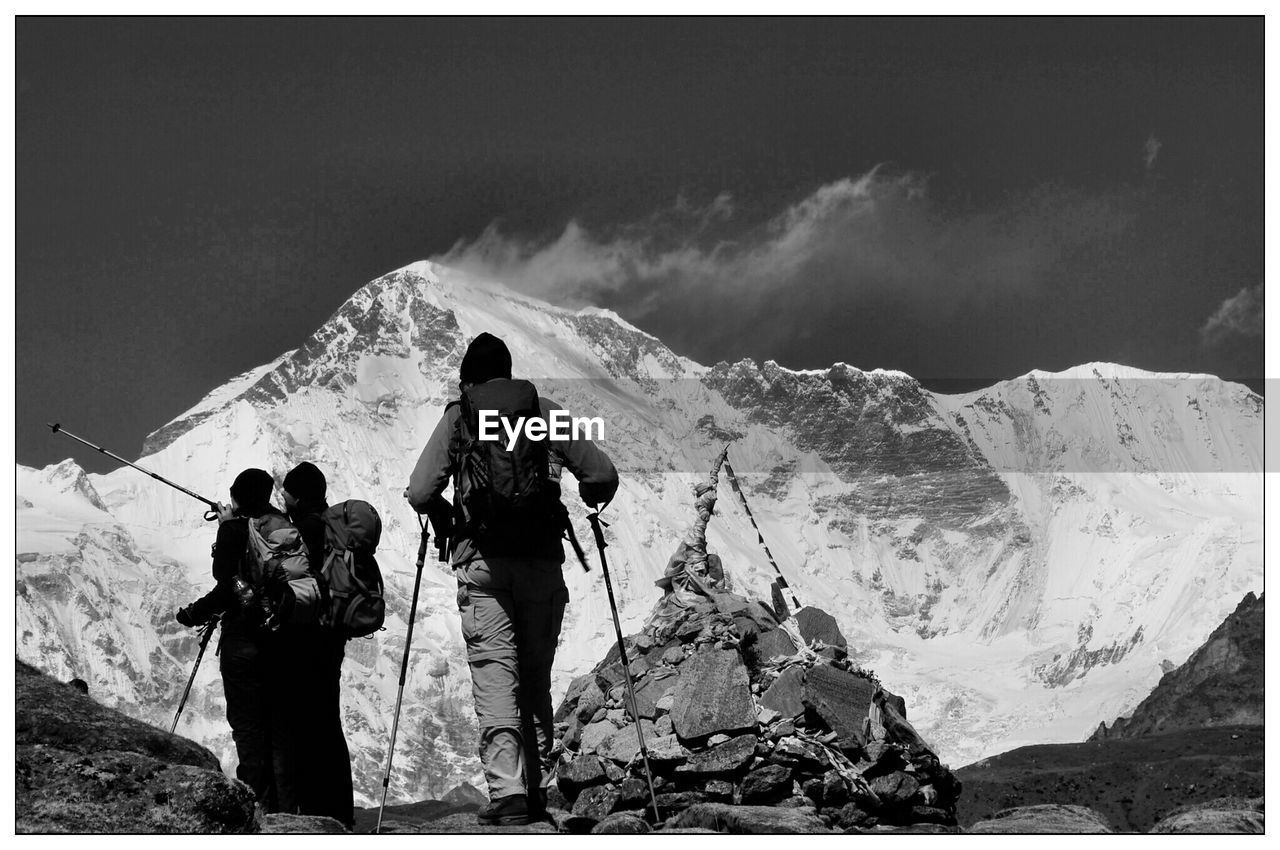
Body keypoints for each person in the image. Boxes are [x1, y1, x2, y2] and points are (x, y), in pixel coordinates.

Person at [405, 332, 619, 826]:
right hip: (542, 563)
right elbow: (602, 474)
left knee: (495, 673)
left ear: (470, 378)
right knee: (535, 677)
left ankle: (508, 795)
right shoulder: (545, 412)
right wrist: (584, 493)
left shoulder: (460, 416)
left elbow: (419, 490)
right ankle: (539, 787)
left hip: (482, 565)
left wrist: (443, 510)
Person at [176, 468, 293, 812]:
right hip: (280, 639)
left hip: (244, 641)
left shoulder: (237, 528)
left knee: (247, 727)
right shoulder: (279, 527)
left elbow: (226, 582)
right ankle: (284, 810)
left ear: (238, 497)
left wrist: (194, 613)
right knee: (276, 727)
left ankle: (257, 809)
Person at [279, 461, 355, 829]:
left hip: (308, 634)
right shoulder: (334, 526)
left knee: (304, 722)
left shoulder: (303, 531)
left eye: (287, 493)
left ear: (298, 496)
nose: (284, 499)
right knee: (327, 719)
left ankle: (313, 811)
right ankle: (340, 810)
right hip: (334, 633)